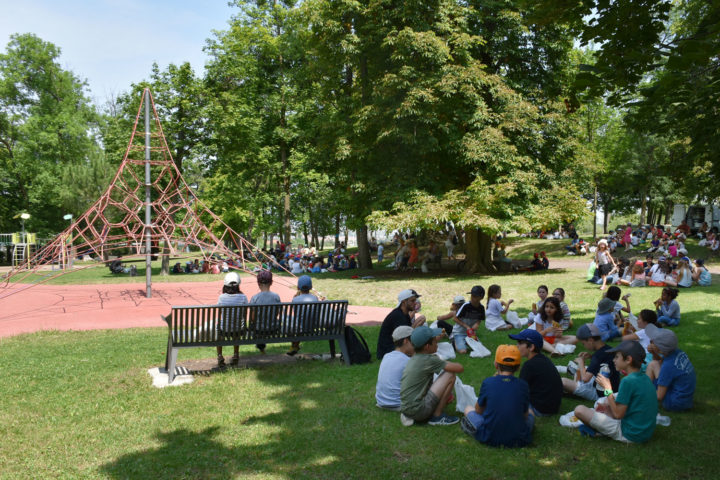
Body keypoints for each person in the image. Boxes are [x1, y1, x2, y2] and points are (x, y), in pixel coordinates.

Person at [573, 340, 657, 443]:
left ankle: (599, 432)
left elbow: (618, 415)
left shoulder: (628, 381)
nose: (613, 360)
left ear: (628, 360)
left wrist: (608, 389)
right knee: (606, 403)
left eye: (617, 357)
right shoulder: (644, 377)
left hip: (631, 434)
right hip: (645, 432)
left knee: (579, 410)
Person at [460, 345, 534, 448]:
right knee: (530, 412)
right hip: (519, 439)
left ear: (496, 364)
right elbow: (525, 415)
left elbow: (478, 410)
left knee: (468, 409)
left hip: (489, 437)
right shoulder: (523, 385)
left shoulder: (488, 382)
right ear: (518, 367)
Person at [399, 326, 463, 426]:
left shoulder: (414, 357)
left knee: (442, 376)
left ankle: (415, 415)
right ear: (427, 347)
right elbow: (459, 368)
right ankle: (437, 417)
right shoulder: (429, 359)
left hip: (406, 409)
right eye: (435, 341)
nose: (437, 342)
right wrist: (441, 361)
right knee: (450, 375)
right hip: (418, 411)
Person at [510, 329, 563, 416]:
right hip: (553, 406)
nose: (517, 346)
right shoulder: (544, 359)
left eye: (520, 343)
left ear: (531, 347)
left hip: (540, 409)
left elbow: (519, 391)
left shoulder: (529, 365)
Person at [561, 323, 620, 401]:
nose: (584, 346)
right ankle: (575, 387)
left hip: (601, 395)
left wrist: (581, 362)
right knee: (585, 369)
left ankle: (574, 391)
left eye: (584, 344)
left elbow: (585, 379)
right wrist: (591, 357)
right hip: (613, 389)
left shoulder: (597, 356)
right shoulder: (608, 349)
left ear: (590, 340)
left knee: (563, 381)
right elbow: (604, 362)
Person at [645, 324, 696, 412]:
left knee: (652, 365)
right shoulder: (677, 352)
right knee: (653, 364)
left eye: (653, 342)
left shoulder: (668, 366)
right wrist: (654, 352)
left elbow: (659, 396)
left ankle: (643, 395)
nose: (651, 342)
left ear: (661, 349)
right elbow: (659, 362)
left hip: (674, 404)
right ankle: (644, 390)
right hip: (686, 400)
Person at [376, 289, 426, 360]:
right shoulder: (398, 316)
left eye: (415, 300)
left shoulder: (404, 314)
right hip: (388, 351)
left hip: (392, 348)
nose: (415, 303)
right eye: (412, 301)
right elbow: (406, 339)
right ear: (404, 302)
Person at [375, 326, 414, 411]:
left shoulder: (387, 356)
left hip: (381, 402)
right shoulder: (407, 361)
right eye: (414, 342)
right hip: (398, 404)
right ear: (406, 341)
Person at [215, 272, 249, 366]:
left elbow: (221, 313)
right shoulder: (243, 297)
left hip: (224, 330)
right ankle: (236, 354)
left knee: (219, 329)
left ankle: (220, 355)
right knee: (236, 331)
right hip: (238, 329)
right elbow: (244, 314)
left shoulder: (221, 297)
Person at [249, 270, 282, 354]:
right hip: (273, 328)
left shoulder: (255, 298)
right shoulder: (276, 296)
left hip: (259, 330)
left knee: (256, 327)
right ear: (271, 282)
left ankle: (261, 348)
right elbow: (277, 313)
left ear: (258, 283)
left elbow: (252, 318)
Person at [287, 275, 319, 356]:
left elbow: (297, 314)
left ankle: (294, 346)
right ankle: (295, 346)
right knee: (301, 323)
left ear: (298, 287)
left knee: (290, 321)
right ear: (311, 287)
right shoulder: (315, 298)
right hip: (312, 327)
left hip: (300, 328)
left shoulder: (295, 299)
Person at [453, 285, 486, 354]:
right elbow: (455, 319)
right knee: (463, 351)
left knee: (480, 349)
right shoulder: (466, 306)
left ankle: (465, 341)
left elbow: (479, 319)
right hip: (459, 332)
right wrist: (467, 327)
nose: (472, 298)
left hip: (471, 333)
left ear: (481, 297)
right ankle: (455, 341)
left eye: (475, 296)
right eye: (472, 296)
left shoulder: (481, 308)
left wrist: (477, 324)